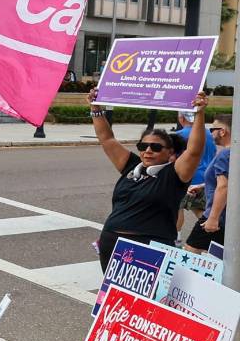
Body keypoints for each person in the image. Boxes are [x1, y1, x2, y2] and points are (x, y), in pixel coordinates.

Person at [89, 88, 208, 271]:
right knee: (114, 298)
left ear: (170, 153)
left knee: (144, 299)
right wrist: (96, 108)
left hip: (149, 247)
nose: (148, 150)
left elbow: (194, 151)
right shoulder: (131, 166)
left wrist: (199, 113)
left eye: (156, 147)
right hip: (112, 242)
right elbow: (106, 139)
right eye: (143, 146)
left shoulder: (174, 175)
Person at [185, 114, 230, 253]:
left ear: (222, 131)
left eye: (212, 129)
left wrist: (213, 218)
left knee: (191, 252)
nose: (211, 133)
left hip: (219, 216)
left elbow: (224, 186)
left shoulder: (225, 155)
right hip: (229, 217)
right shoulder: (234, 152)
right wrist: (203, 186)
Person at [174, 110, 217, 229]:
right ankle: (211, 237)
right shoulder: (209, 134)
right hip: (205, 180)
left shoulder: (177, 136)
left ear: (181, 118)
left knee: (177, 210)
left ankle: (175, 240)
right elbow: (213, 154)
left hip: (185, 179)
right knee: (201, 210)